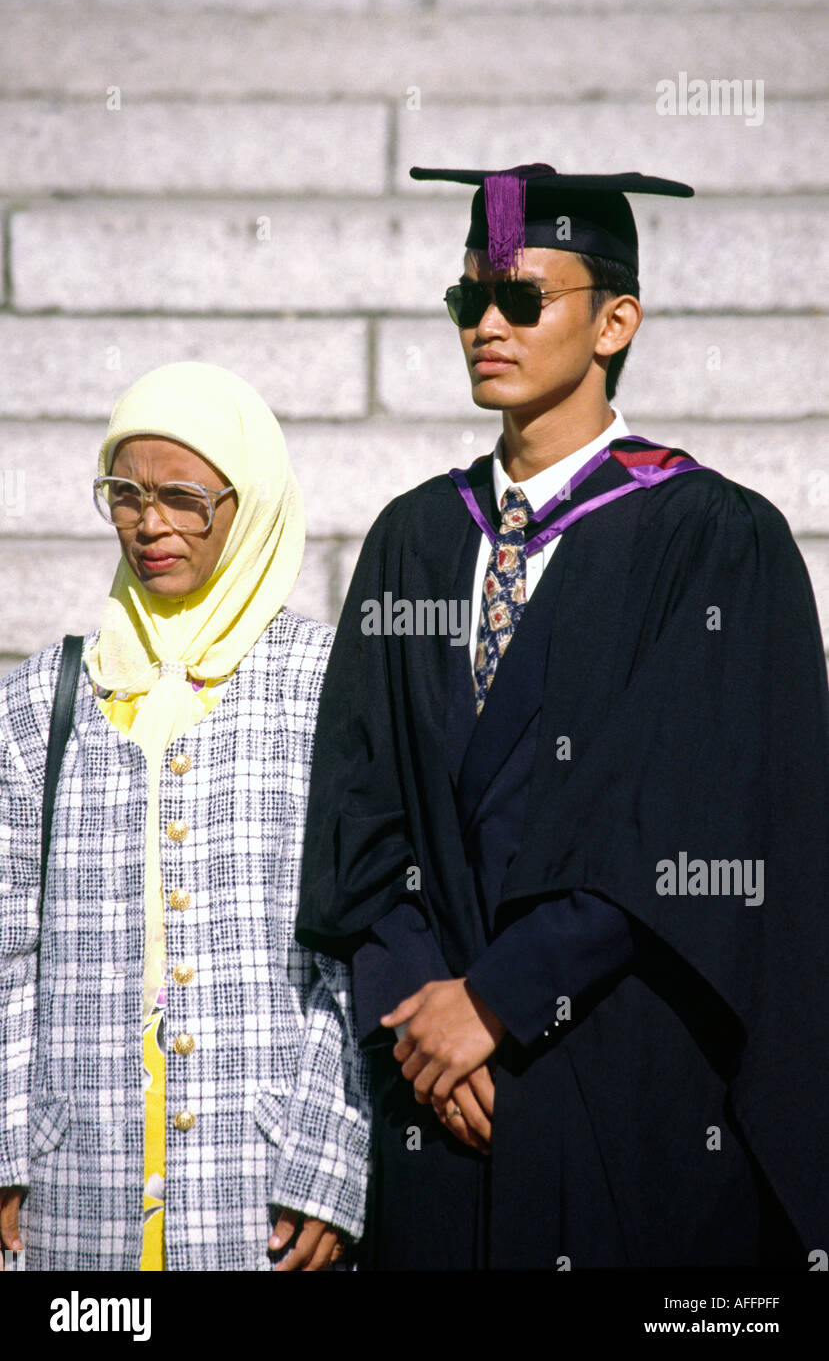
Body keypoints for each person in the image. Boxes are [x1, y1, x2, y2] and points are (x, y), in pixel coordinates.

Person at [296, 163, 829, 1269]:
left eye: (521, 299)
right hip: (435, 1098)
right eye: (466, 301)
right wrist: (418, 1017)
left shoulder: (711, 537)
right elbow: (360, 808)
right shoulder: (415, 539)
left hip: (620, 1074)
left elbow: (689, 815)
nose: (485, 325)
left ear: (614, 321)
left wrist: (494, 999)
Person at [0, 360, 371, 1271]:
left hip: (261, 1189)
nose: (150, 524)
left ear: (251, 506)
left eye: (184, 498)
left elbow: (360, 944)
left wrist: (328, 1163)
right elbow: (8, 941)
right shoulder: (42, 699)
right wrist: (10, 1145)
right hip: (75, 1191)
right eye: (123, 493)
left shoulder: (328, 690)